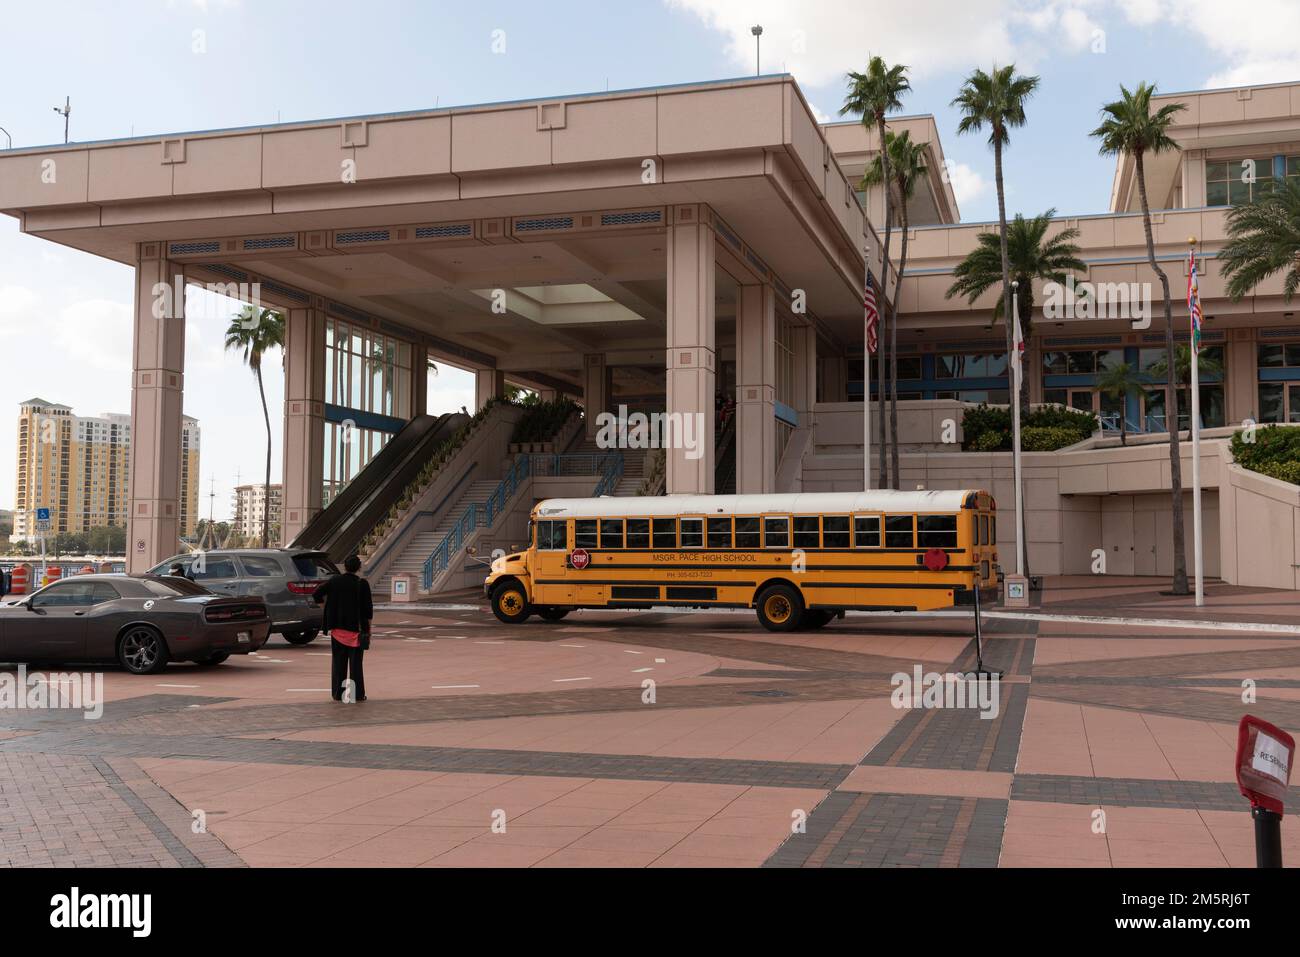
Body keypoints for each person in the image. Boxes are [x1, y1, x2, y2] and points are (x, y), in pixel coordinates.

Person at [312, 555, 373, 702]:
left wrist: (326, 607)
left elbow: (316, 594)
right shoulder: (362, 584)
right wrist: (368, 630)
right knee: (356, 665)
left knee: (338, 663)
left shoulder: (334, 581)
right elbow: (368, 610)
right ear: (359, 568)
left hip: (338, 630)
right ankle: (356, 695)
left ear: (344, 567)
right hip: (357, 631)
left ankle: (338, 694)